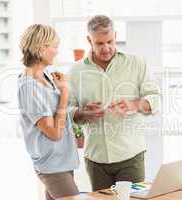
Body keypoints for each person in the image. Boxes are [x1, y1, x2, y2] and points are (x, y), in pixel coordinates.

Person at [68, 15, 161, 191]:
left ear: (116, 35)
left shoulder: (136, 63)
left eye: (110, 41)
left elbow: (156, 99)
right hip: (96, 160)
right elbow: (68, 110)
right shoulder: (76, 71)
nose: (106, 48)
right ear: (89, 40)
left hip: (130, 157)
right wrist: (83, 113)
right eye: (99, 43)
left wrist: (135, 105)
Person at [18, 24, 80, 200]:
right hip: (52, 165)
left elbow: (58, 118)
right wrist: (65, 93)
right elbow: (53, 132)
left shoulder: (46, 77)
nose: (56, 52)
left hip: (62, 161)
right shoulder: (29, 87)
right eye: (54, 46)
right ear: (40, 48)